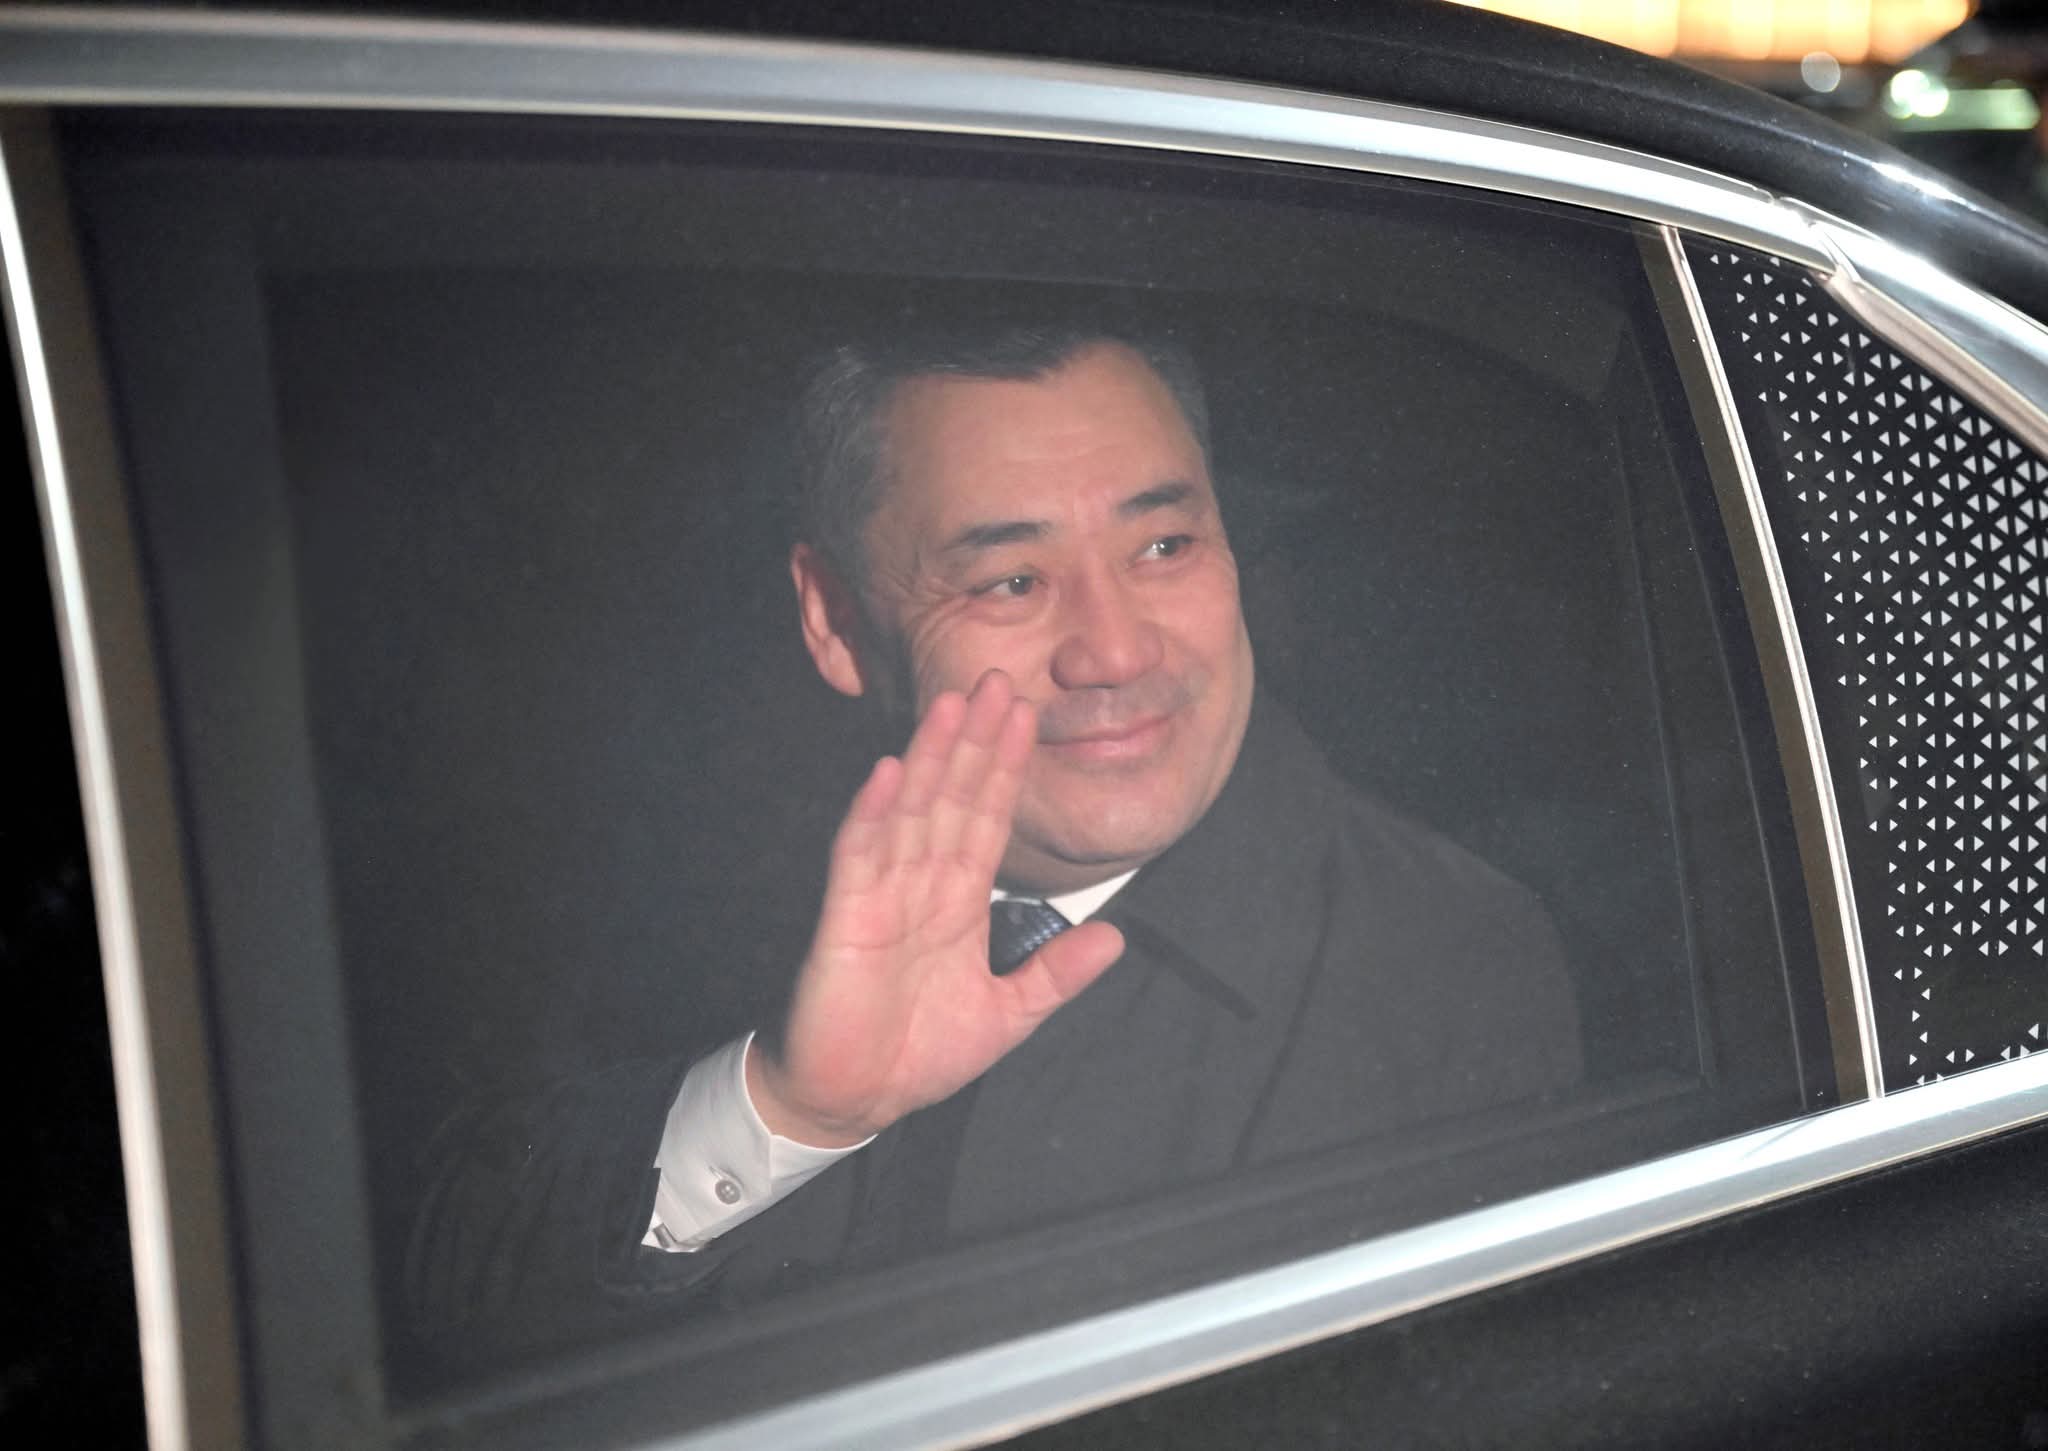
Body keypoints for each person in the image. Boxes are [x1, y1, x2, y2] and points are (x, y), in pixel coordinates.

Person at [407, 318, 1580, 1336]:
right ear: (835, 620)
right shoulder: (679, 873)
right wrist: (783, 1110)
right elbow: (427, 1308)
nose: (1113, 650)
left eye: (1162, 546)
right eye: (1010, 580)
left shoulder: (1441, 961)